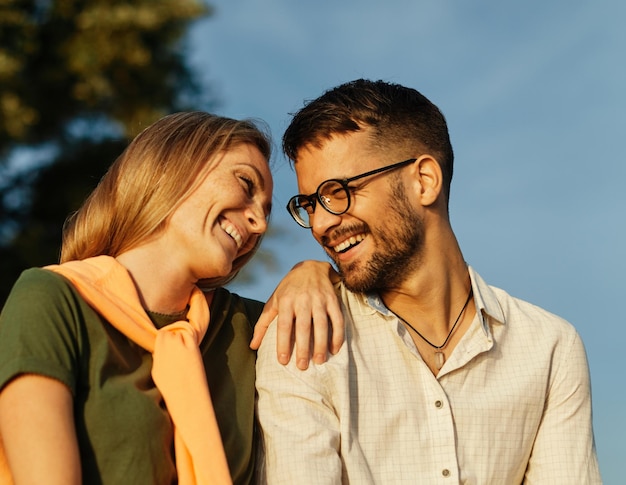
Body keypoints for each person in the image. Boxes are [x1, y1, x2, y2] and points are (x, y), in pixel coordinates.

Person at [256, 79, 602, 483]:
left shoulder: (549, 347)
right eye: (310, 204)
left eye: (338, 192)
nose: (321, 223)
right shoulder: (303, 338)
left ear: (424, 180)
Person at [0, 111, 342, 485]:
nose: (259, 224)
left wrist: (314, 272)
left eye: (264, 212)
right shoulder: (52, 300)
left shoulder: (249, 329)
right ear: (173, 164)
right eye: (246, 184)